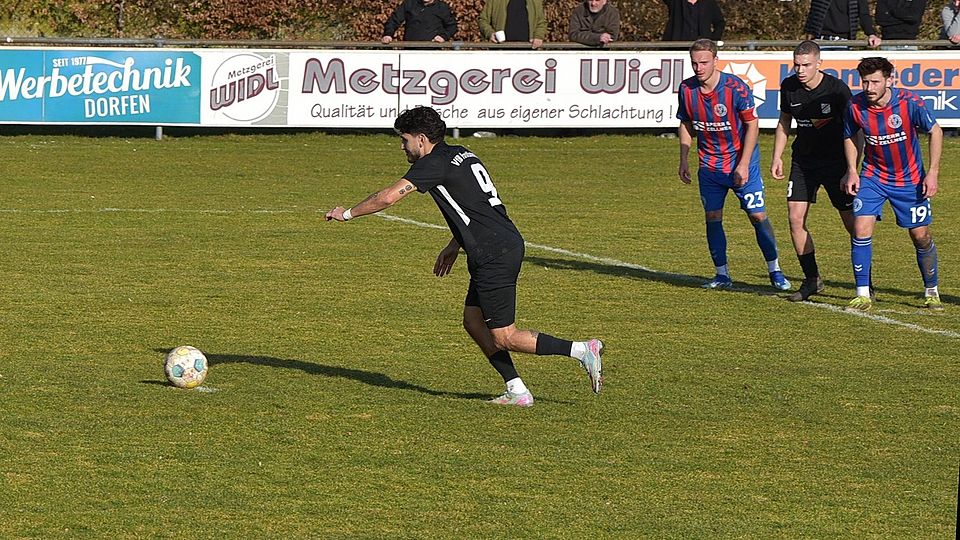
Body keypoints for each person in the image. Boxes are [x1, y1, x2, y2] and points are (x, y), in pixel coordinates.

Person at [325, 106, 603, 407]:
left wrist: (347, 213)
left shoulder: (432, 163)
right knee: (473, 321)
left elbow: (388, 197)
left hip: (493, 252)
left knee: (505, 336)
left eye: (404, 140)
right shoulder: (461, 153)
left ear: (421, 139)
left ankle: (581, 350)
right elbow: (473, 206)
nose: (402, 147)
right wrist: (454, 244)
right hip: (499, 243)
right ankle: (517, 390)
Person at [677, 39, 790, 292]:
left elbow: (752, 125)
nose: (698, 68)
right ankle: (722, 275)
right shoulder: (686, 89)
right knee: (712, 217)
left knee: (757, 215)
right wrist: (683, 158)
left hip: (741, 164)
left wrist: (744, 164)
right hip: (709, 166)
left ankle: (775, 270)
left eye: (704, 62)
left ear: (716, 61)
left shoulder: (735, 88)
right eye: (694, 63)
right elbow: (685, 122)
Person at [842, 57, 944, 311]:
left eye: (875, 82)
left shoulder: (909, 102)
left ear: (889, 80)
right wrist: (852, 170)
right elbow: (850, 136)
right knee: (860, 229)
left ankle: (931, 290)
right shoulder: (855, 106)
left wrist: (932, 173)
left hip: (910, 180)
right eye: (865, 82)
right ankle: (862, 294)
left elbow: (936, 131)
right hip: (873, 177)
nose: (869, 88)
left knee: (920, 236)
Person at [771, 40, 865, 302]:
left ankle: (864, 283)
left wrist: (852, 169)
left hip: (837, 164)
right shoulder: (789, 86)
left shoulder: (837, 90)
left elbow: (855, 131)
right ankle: (812, 279)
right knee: (795, 219)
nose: (800, 70)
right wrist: (777, 156)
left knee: (854, 225)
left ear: (819, 64)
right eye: (796, 65)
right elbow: (784, 121)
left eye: (806, 65)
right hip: (804, 163)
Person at [804, 0, 882, 47]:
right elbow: (813, 12)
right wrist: (809, 34)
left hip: (844, 41)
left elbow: (864, 14)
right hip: (821, 39)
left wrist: (871, 34)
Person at [479, 0, 547, 49]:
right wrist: (490, 33)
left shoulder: (535, 1)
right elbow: (483, 19)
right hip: (501, 50)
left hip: (528, 50)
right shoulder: (495, 1)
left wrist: (538, 36)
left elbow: (541, 22)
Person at [382, 0, 458, 44]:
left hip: (433, 50)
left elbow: (452, 26)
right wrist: (388, 34)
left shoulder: (442, 7)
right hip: (410, 50)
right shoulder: (409, 4)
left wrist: (444, 36)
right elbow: (394, 20)